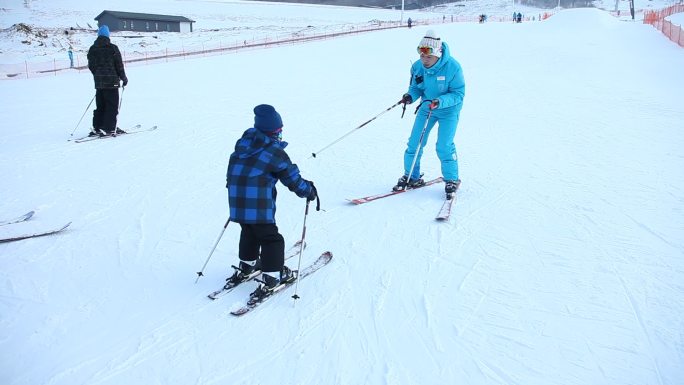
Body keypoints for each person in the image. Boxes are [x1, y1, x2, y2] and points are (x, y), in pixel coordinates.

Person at [226, 104, 318, 301]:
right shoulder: (273, 152)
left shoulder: (243, 144)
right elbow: (291, 177)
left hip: (237, 200)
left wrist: (234, 191)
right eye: (278, 131)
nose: (280, 134)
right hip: (257, 204)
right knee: (271, 239)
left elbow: (232, 167)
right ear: (272, 132)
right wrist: (308, 191)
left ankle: (248, 265)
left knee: (249, 231)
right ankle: (273, 276)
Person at [396, 30, 465, 197]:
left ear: (438, 55)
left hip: (448, 110)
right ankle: (412, 176)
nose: (424, 60)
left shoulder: (453, 67)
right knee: (414, 143)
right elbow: (416, 87)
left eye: (428, 57)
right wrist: (410, 96)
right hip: (427, 107)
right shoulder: (417, 67)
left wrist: (441, 101)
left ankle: (452, 179)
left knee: (443, 145)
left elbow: (458, 93)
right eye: (421, 56)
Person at [87, 25, 128, 137]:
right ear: (108, 35)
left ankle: (98, 126)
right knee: (112, 105)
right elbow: (119, 65)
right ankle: (109, 128)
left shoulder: (92, 49)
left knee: (100, 105)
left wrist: (98, 75)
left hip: (99, 83)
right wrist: (123, 78)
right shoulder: (112, 48)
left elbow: (91, 66)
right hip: (112, 82)